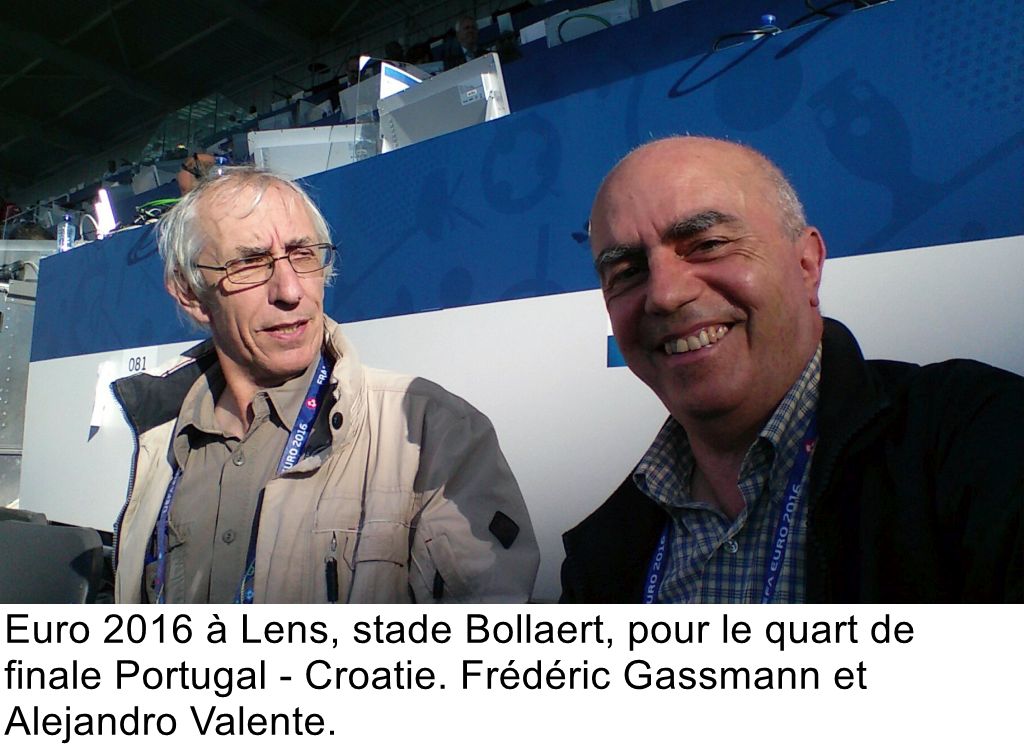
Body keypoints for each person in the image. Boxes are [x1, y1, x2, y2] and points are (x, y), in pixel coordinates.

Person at [561, 136, 1023, 603]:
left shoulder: (978, 438)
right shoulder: (599, 559)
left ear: (807, 265)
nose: (664, 294)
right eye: (626, 273)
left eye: (707, 244)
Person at [112, 167, 538, 603]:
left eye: (303, 254)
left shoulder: (434, 435)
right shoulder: (160, 437)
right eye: (250, 262)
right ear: (190, 293)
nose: (290, 290)